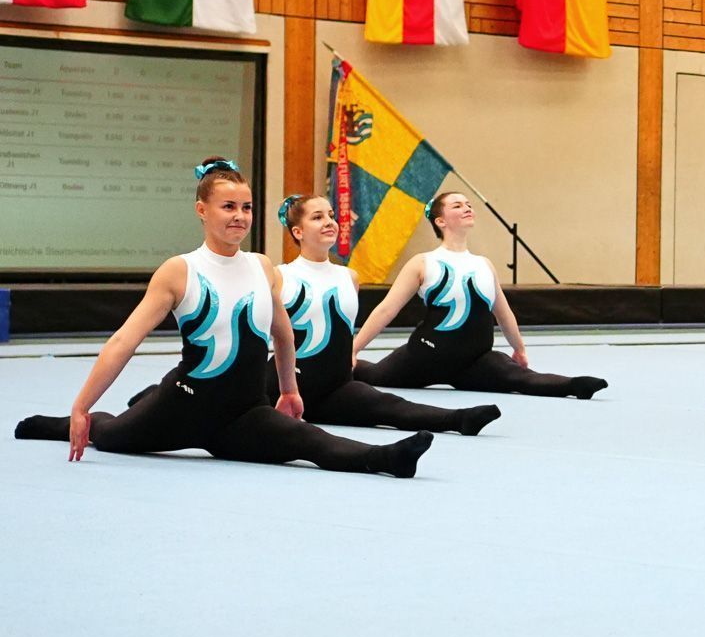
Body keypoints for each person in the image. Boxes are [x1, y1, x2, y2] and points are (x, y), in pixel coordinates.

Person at [13, 159, 433, 477]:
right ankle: (65, 423)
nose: (239, 216)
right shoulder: (180, 270)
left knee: (310, 440)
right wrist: (82, 407)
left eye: (246, 207)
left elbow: (284, 337)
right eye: (228, 206)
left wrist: (289, 390)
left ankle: (389, 459)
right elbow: (125, 341)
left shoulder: (262, 267)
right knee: (112, 435)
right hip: (182, 407)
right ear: (202, 210)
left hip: (245, 414)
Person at [262, 195, 500, 434]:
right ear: (298, 232)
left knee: (389, 405)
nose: (328, 222)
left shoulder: (348, 277)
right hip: (285, 388)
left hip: (336, 388)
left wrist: (353, 350)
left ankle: (459, 419)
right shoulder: (279, 276)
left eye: (331, 216)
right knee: (310, 437)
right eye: (317, 217)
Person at [352, 190, 608, 398]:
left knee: (520, 378)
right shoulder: (423, 263)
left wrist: (518, 348)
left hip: (476, 360)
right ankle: (328, 364)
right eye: (457, 206)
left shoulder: (484, 265)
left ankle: (576, 385)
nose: (466, 208)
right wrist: (353, 350)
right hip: (427, 356)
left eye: (468, 204)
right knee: (373, 375)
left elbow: (503, 312)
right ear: (440, 221)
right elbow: (387, 309)